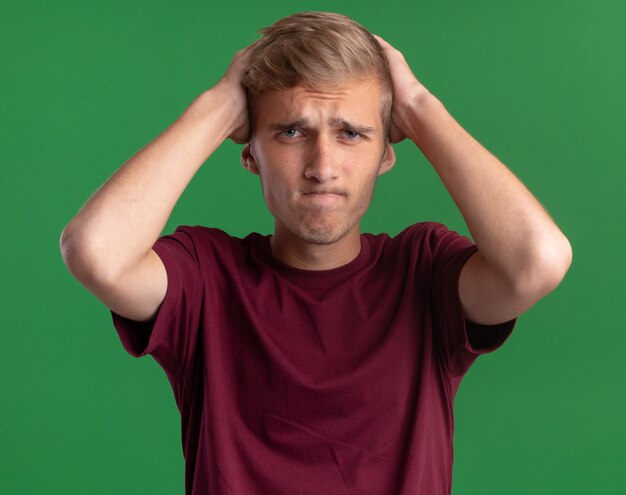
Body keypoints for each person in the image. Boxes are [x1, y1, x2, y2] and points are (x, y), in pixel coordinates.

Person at [60, 11, 572, 495]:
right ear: (249, 153)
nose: (322, 165)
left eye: (351, 133)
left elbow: (539, 261)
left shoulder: (424, 271)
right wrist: (216, 108)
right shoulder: (205, 277)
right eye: (290, 132)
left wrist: (417, 105)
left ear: (387, 153)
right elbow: (94, 251)